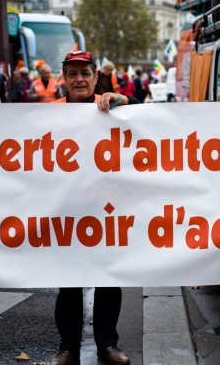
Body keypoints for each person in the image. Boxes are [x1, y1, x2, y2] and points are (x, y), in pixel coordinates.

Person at [48, 50, 141, 365]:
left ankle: (107, 345)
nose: (78, 79)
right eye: (72, 73)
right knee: (70, 283)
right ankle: (68, 347)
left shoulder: (110, 104)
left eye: (84, 73)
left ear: (95, 76)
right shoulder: (50, 112)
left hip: (107, 210)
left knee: (107, 279)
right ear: (64, 77)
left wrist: (125, 101)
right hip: (68, 211)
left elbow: (150, 120)